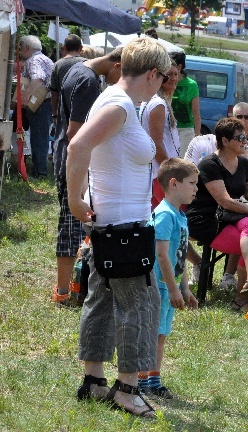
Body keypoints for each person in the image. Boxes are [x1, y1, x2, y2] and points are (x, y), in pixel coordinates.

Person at [67, 37, 171, 417]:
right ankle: (127, 389)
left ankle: (93, 381)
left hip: (111, 224)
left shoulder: (113, 98)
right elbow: (76, 146)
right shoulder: (121, 106)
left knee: (102, 301)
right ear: (152, 74)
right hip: (122, 226)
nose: (163, 85)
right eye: (163, 78)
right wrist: (76, 198)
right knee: (141, 306)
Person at [50, 48, 123, 306]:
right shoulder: (89, 81)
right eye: (123, 74)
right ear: (117, 64)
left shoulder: (78, 68)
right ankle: (62, 292)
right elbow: (75, 133)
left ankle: (69, 286)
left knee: (72, 224)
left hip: (65, 157)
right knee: (71, 225)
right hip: (73, 162)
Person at [185, 117, 248, 311]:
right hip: (208, 220)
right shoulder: (209, 164)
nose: (245, 142)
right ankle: (245, 294)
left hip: (232, 217)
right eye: (240, 138)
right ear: (225, 141)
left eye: (245, 137)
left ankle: (242, 294)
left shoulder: (244, 162)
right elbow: (224, 201)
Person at [138, 158, 199, 399]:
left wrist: (184, 289)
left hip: (169, 286)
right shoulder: (164, 215)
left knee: (160, 334)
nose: (196, 189)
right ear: (174, 184)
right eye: (192, 183)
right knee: (152, 333)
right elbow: (162, 255)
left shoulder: (179, 216)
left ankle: (153, 379)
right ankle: (142, 380)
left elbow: (178, 257)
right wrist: (173, 290)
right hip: (157, 286)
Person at [140, 59, 180, 209]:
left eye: (176, 74)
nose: (173, 78)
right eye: (169, 74)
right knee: (174, 217)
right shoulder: (158, 103)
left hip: (154, 172)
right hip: (161, 174)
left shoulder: (152, 100)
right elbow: (155, 143)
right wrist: (172, 170)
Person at [20, 35, 54, 178]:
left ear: (27, 47)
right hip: (48, 103)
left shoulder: (34, 60)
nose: (20, 51)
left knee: (38, 138)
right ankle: (40, 170)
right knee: (41, 137)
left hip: (40, 104)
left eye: (21, 47)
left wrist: (24, 97)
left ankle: (40, 172)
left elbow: (37, 79)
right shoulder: (45, 59)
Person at [170, 52, 201, 159]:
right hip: (169, 128)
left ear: (179, 66)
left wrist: (197, 135)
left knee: (181, 160)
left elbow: (196, 112)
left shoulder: (191, 85)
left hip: (186, 129)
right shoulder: (166, 82)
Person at [49, 34, 84, 119]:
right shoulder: (88, 63)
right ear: (81, 48)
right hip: (84, 111)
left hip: (64, 112)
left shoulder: (58, 65)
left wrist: (54, 114)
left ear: (64, 48)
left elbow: (54, 93)